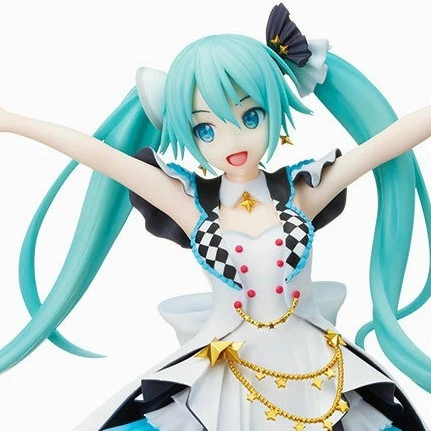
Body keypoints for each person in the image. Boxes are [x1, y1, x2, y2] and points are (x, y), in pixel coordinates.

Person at [0, 2, 430, 430]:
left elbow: (387, 142)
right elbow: (99, 155)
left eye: (250, 116)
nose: (231, 140)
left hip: (315, 367)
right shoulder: (192, 206)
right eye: (206, 129)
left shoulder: (302, 192)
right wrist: (14, 122)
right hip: (225, 373)